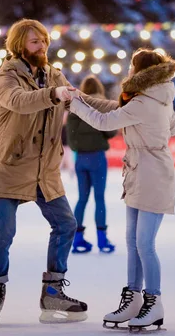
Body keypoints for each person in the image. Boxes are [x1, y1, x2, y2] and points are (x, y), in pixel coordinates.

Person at [0, 19, 87, 326]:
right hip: (12, 166)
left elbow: (78, 102)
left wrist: (124, 108)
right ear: (19, 46)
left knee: (66, 225)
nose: (42, 46)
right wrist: (54, 95)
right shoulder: (6, 76)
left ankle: (53, 292)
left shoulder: (54, 75)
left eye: (44, 40)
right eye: (34, 42)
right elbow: (17, 102)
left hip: (45, 170)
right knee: (4, 233)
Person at [69, 49, 175, 331]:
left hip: (153, 172)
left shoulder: (146, 102)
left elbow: (105, 121)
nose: (128, 72)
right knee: (132, 242)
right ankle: (134, 299)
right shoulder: (157, 97)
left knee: (145, 243)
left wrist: (74, 104)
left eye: (132, 67)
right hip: (139, 170)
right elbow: (173, 128)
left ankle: (153, 302)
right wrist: (80, 97)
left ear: (141, 72)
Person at [67, 75, 117, 254]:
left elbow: (70, 137)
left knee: (82, 198)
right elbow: (111, 131)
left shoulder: (75, 106)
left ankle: (77, 238)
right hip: (97, 157)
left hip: (81, 158)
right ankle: (102, 240)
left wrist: (80, 145)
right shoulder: (102, 104)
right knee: (99, 199)